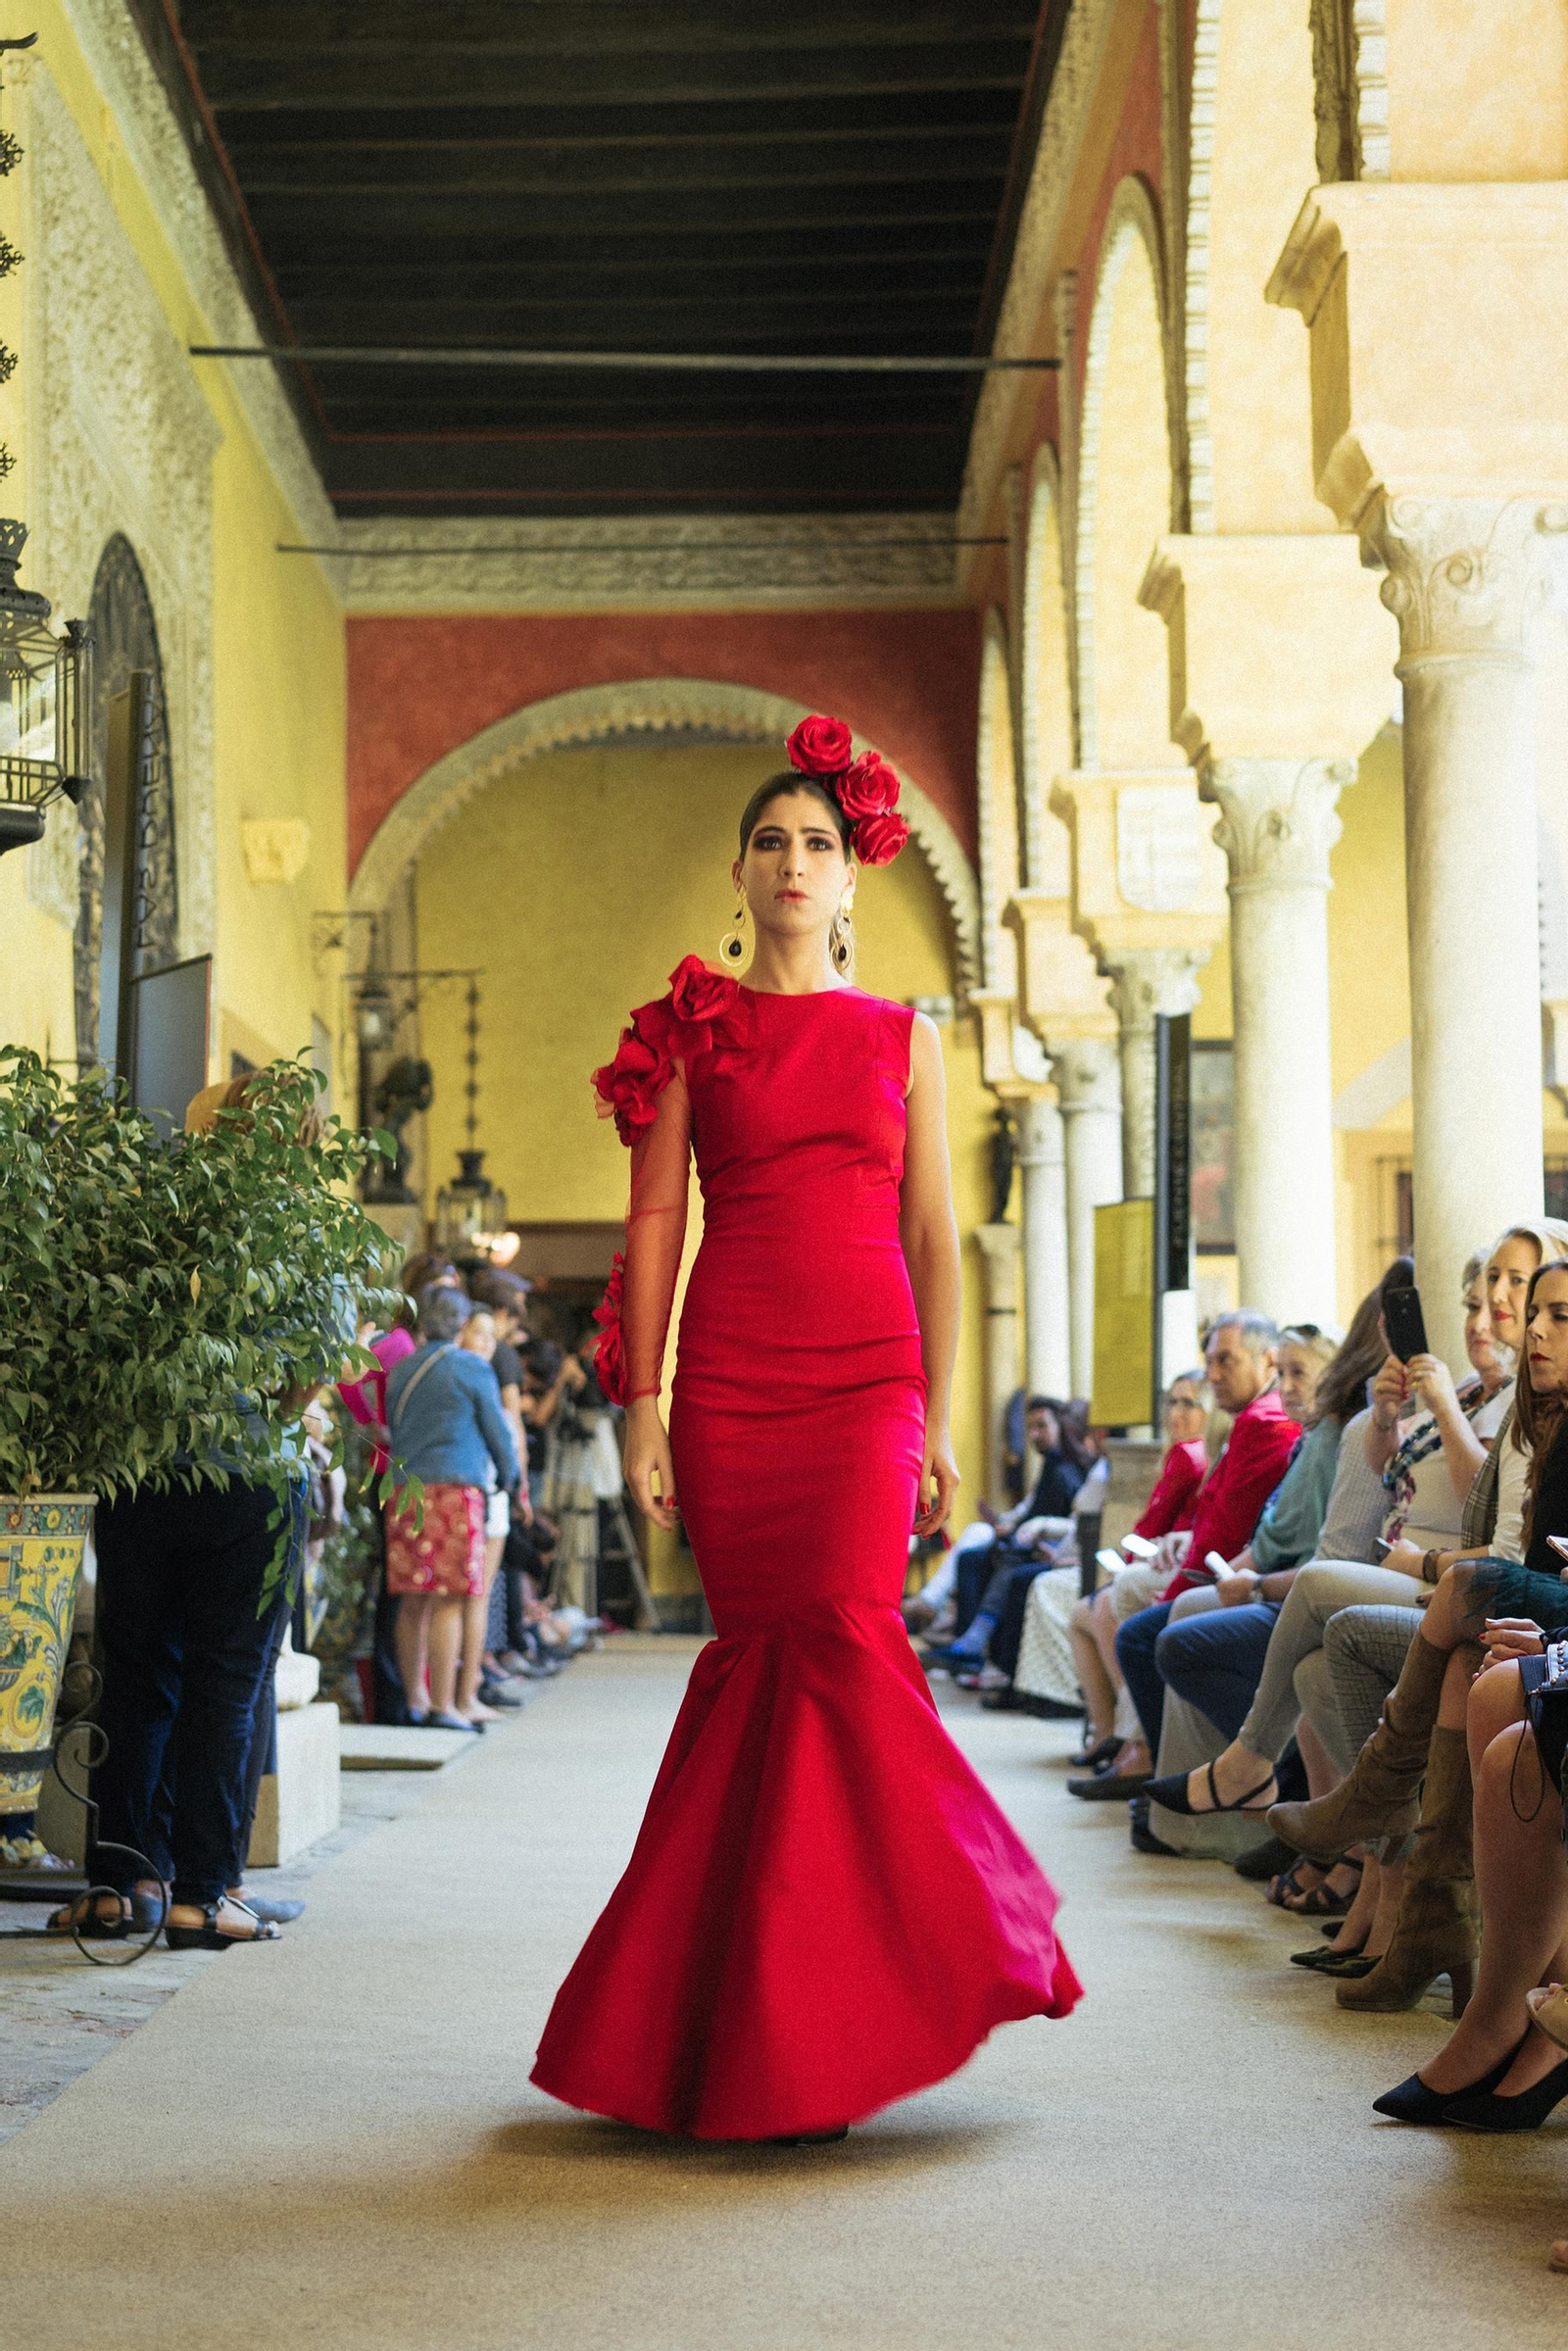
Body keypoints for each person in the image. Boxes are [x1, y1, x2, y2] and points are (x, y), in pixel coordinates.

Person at [530, 715, 1080, 2143]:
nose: (793, 861)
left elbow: (936, 1240)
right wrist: (640, 1404)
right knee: (762, 1667)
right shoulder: (691, 1029)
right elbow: (657, 1222)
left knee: (844, 1646)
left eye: (818, 842)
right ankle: (751, 2026)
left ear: (855, 876)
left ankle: (851, 1998)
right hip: (731, 1376)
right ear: (739, 870)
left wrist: (942, 1415)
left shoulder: (909, 1038)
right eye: (770, 841)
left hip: (867, 1382)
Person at [1270, 1252, 1568, 2014]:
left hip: (1513, 1592)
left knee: (1445, 1593)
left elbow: (1497, 1550)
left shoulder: (1505, 1406)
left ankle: (1370, 1797)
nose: (1528, 1327)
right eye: (1527, 1311)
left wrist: (1434, 1558)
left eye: (1553, 1316)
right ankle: (1427, 1916)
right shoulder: (1533, 1411)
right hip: (1520, 1596)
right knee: (1450, 1644)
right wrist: (1386, 1415)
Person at [1109, 1312, 1300, 1775]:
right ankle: (1134, 1750)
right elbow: (1214, 1521)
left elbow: (1232, 1529)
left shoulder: (1266, 1421)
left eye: (1225, 1361)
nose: (1212, 1375)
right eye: (1209, 1361)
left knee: (1143, 1635)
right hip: (1242, 1564)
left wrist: (1177, 1590)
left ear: (1267, 1360)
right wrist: (1184, 1543)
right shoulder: (1254, 1420)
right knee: (1120, 1601)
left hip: (1261, 1573)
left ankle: (1206, 1773)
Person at [383, 1284, 520, 1734]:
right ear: (461, 1326)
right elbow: (498, 1433)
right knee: (450, 1598)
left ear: (421, 1323)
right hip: (455, 1491)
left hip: (404, 1489)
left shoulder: (401, 1370)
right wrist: (509, 1475)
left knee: (413, 1599)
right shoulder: (470, 1367)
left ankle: (416, 1700)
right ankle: (446, 1705)